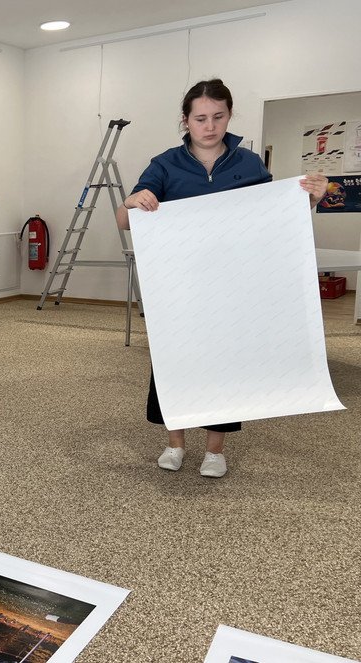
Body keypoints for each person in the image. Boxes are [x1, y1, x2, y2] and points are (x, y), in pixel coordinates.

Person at [115, 78, 328, 478]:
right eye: (200, 118)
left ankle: (215, 449)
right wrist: (131, 201)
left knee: (224, 360)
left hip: (233, 281)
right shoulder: (164, 164)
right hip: (178, 281)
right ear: (186, 120)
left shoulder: (248, 164)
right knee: (173, 358)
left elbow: (273, 217)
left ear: (229, 116)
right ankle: (175, 443)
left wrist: (309, 200)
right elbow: (126, 221)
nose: (209, 126)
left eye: (218, 116)